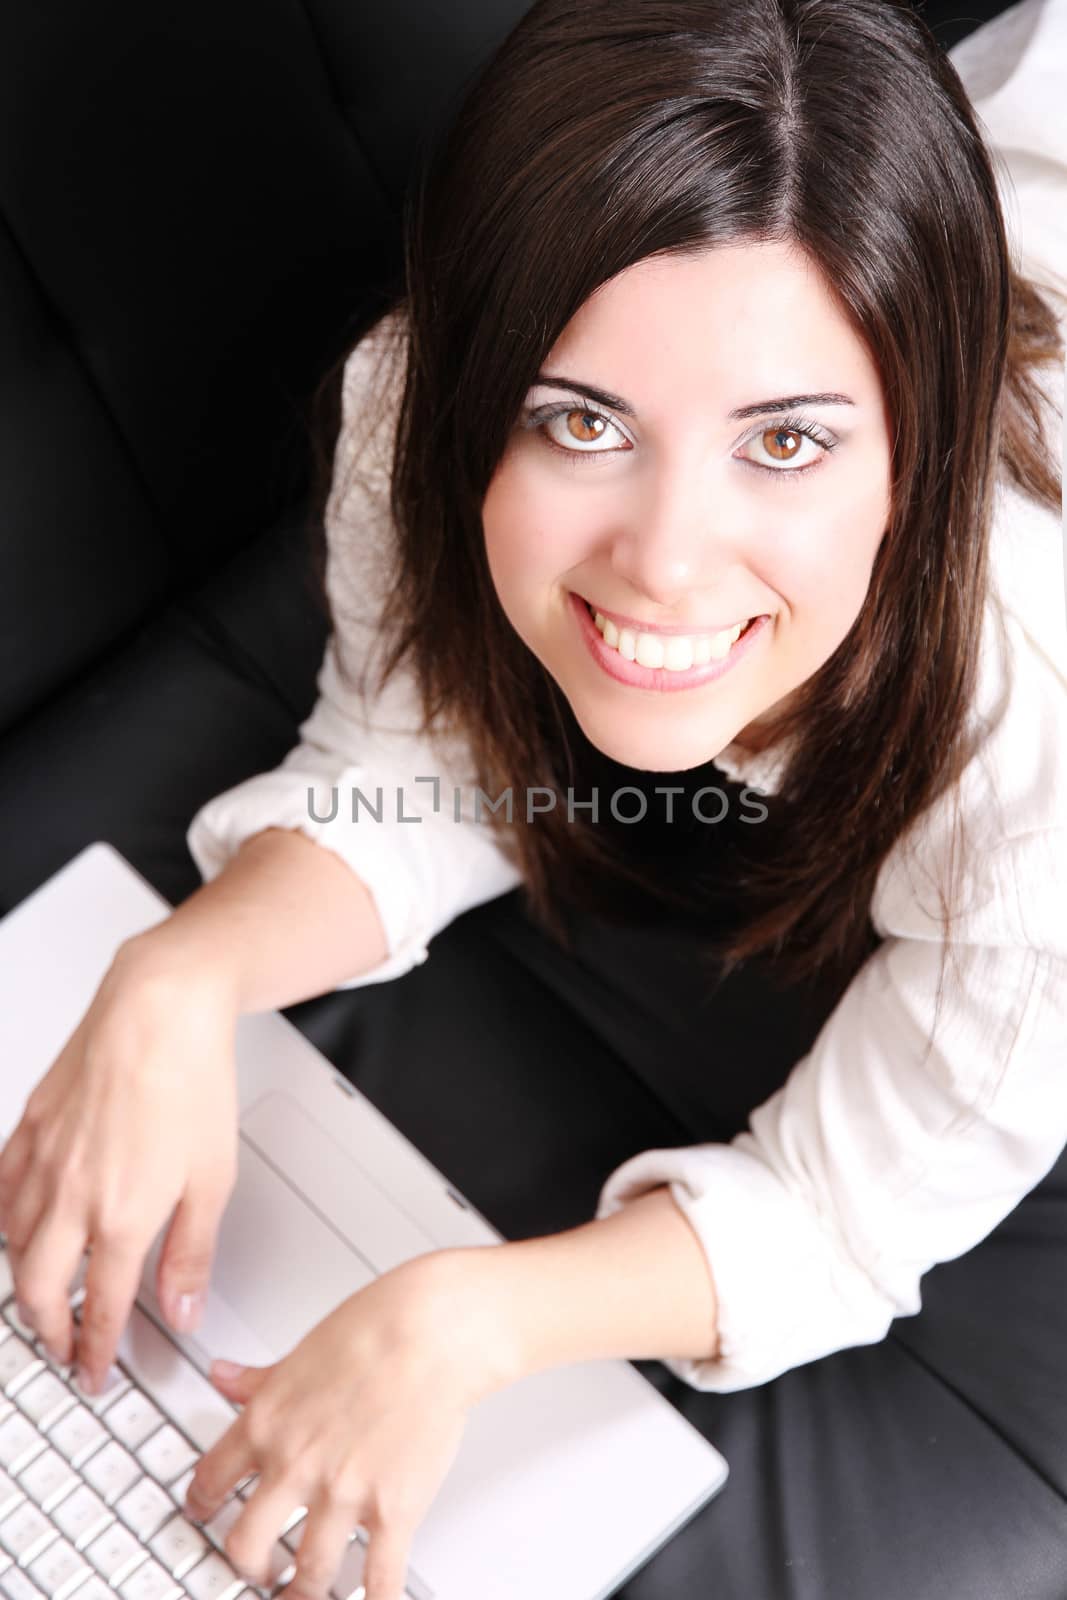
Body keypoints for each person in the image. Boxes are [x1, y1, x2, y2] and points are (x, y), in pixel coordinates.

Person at [1, 2, 1064, 1598]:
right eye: (580, 423)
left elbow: (844, 1218)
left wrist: (467, 1317)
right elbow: (415, 757)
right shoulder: (419, 402)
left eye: (785, 442)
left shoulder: (1036, 733)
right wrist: (182, 971)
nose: (665, 564)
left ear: (910, 462)